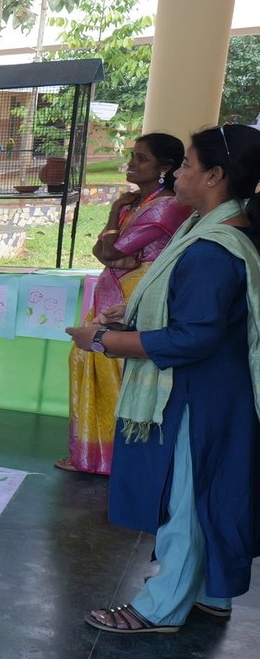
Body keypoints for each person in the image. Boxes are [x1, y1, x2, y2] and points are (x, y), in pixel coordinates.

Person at [67, 124, 260, 635]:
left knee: (186, 498)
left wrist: (105, 341)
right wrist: (131, 319)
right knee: (208, 491)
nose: (178, 174)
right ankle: (210, 592)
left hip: (197, 392)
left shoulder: (212, 249)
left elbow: (192, 338)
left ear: (215, 176)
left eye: (188, 165)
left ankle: (159, 607)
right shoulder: (215, 231)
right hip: (219, 389)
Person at [58, 134, 191, 474]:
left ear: (164, 168)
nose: (131, 163)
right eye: (132, 156)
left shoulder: (166, 206)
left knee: (112, 365)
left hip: (136, 294)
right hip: (114, 290)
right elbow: (102, 252)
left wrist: (115, 215)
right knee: (86, 359)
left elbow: (112, 251)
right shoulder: (135, 205)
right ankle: (92, 456)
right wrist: (116, 218)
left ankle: (117, 458)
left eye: (141, 158)